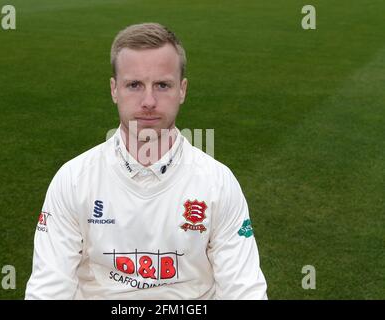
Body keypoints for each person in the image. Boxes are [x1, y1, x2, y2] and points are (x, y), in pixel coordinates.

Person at [25, 22, 267, 299]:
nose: (149, 101)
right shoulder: (73, 179)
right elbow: (48, 290)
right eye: (135, 85)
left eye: (162, 85)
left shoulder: (218, 183)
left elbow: (244, 291)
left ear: (182, 90)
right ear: (114, 89)